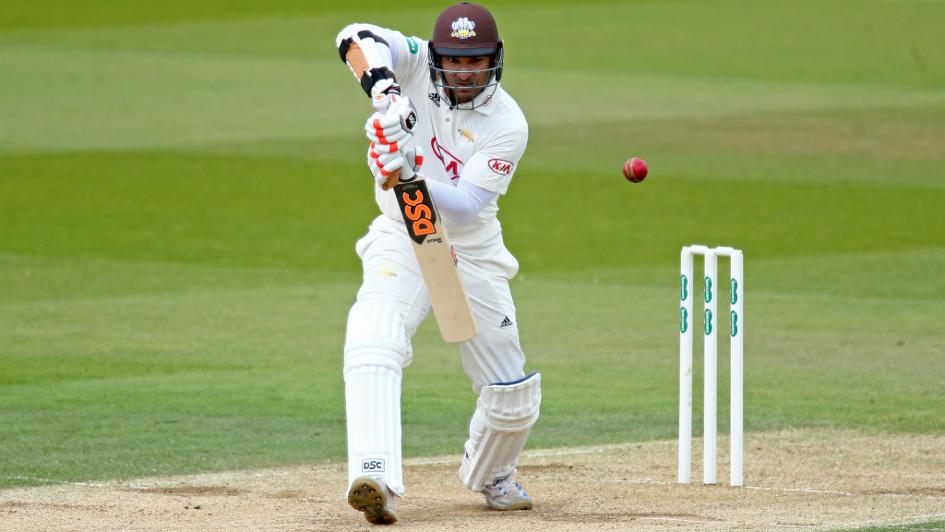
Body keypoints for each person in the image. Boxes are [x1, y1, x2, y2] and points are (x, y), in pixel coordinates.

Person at [335, 2, 541, 525]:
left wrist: (407, 168)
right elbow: (353, 35)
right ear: (436, 57)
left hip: (471, 246)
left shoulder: (508, 123)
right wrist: (385, 91)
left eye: (475, 61)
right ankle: (375, 477)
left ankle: (493, 473)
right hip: (402, 231)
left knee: (512, 398)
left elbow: (467, 204)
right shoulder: (413, 63)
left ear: (494, 60)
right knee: (373, 333)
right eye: (454, 60)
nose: (464, 71)